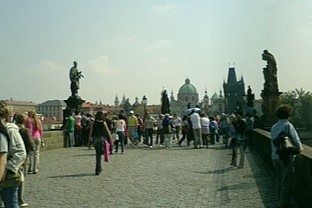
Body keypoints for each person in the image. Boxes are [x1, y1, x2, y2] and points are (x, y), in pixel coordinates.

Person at [271, 105, 303, 208]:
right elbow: (295, 139)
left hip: (275, 156)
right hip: (285, 157)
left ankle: (278, 198)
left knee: (279, 179)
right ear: (288, 115)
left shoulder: (274, 126)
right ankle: (284, 202)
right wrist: (300, 149)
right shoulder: (288, 125)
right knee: (286, 180)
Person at [0, 103, 27, 208]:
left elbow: (21, 152)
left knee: (11, 203)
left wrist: (8, 168)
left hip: (9, 175)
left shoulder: (10, 130)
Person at [14, 113, 34, 207]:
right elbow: (31, 144)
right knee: (21, 178)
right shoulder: (25, 130)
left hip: (13, 156)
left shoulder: (13, 129)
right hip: (23, 156)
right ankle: (20, 199)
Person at [88, 111, 112, 175]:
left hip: (95, 140)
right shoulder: (104, 123)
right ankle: (98, 169)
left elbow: (90, 132)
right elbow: (108, 132)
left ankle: (98, 168)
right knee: (100, 154)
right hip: (102, 140)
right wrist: (111, 141)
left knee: (98, 154)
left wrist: (89, 142)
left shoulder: (93, 123)